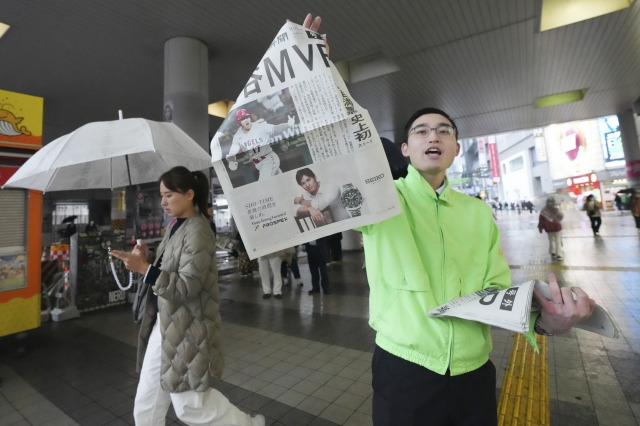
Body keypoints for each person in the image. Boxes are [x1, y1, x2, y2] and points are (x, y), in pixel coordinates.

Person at [353, 107, 595, 425]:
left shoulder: (478, 212)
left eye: (444, 130)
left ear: (455, 147)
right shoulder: (381, 201)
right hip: (403, 369)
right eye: (421, 131)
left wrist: (548, 322)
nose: (433, 136)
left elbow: (493, 293)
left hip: (474, 374)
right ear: (405, 149)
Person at [110, 166, 264, 426]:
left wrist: (144, 269)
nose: (163, 201)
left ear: (190, 194)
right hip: (166, 324)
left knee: (191, 407)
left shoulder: (199, 231)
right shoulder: (175, 227)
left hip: (187, 329)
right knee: (146, 404)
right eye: (162, 195)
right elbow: (168, 269)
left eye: (169, 195)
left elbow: (185, 287)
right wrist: (146, 258)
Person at [226, 108, 294, 180]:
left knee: (263, 185)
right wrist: (231, 161)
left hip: (268, 158)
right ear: (239, 123)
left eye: (247, 117)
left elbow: (275, 128)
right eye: (243, 119)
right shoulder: (238, 136)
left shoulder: (259, 126)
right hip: (258, 164)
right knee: (280, 182)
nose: (246, 120)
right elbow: (232, 152)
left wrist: (288, 124)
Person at [538, 196, 564, 260]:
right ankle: (559, 255)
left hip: (548, 228)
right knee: (557, 240)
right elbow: (561, 216)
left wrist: (540, 228)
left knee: (551, 240)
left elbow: (541, 220)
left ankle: (553, 252)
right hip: (556, 227)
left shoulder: (543, 210)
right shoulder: (557, 208)